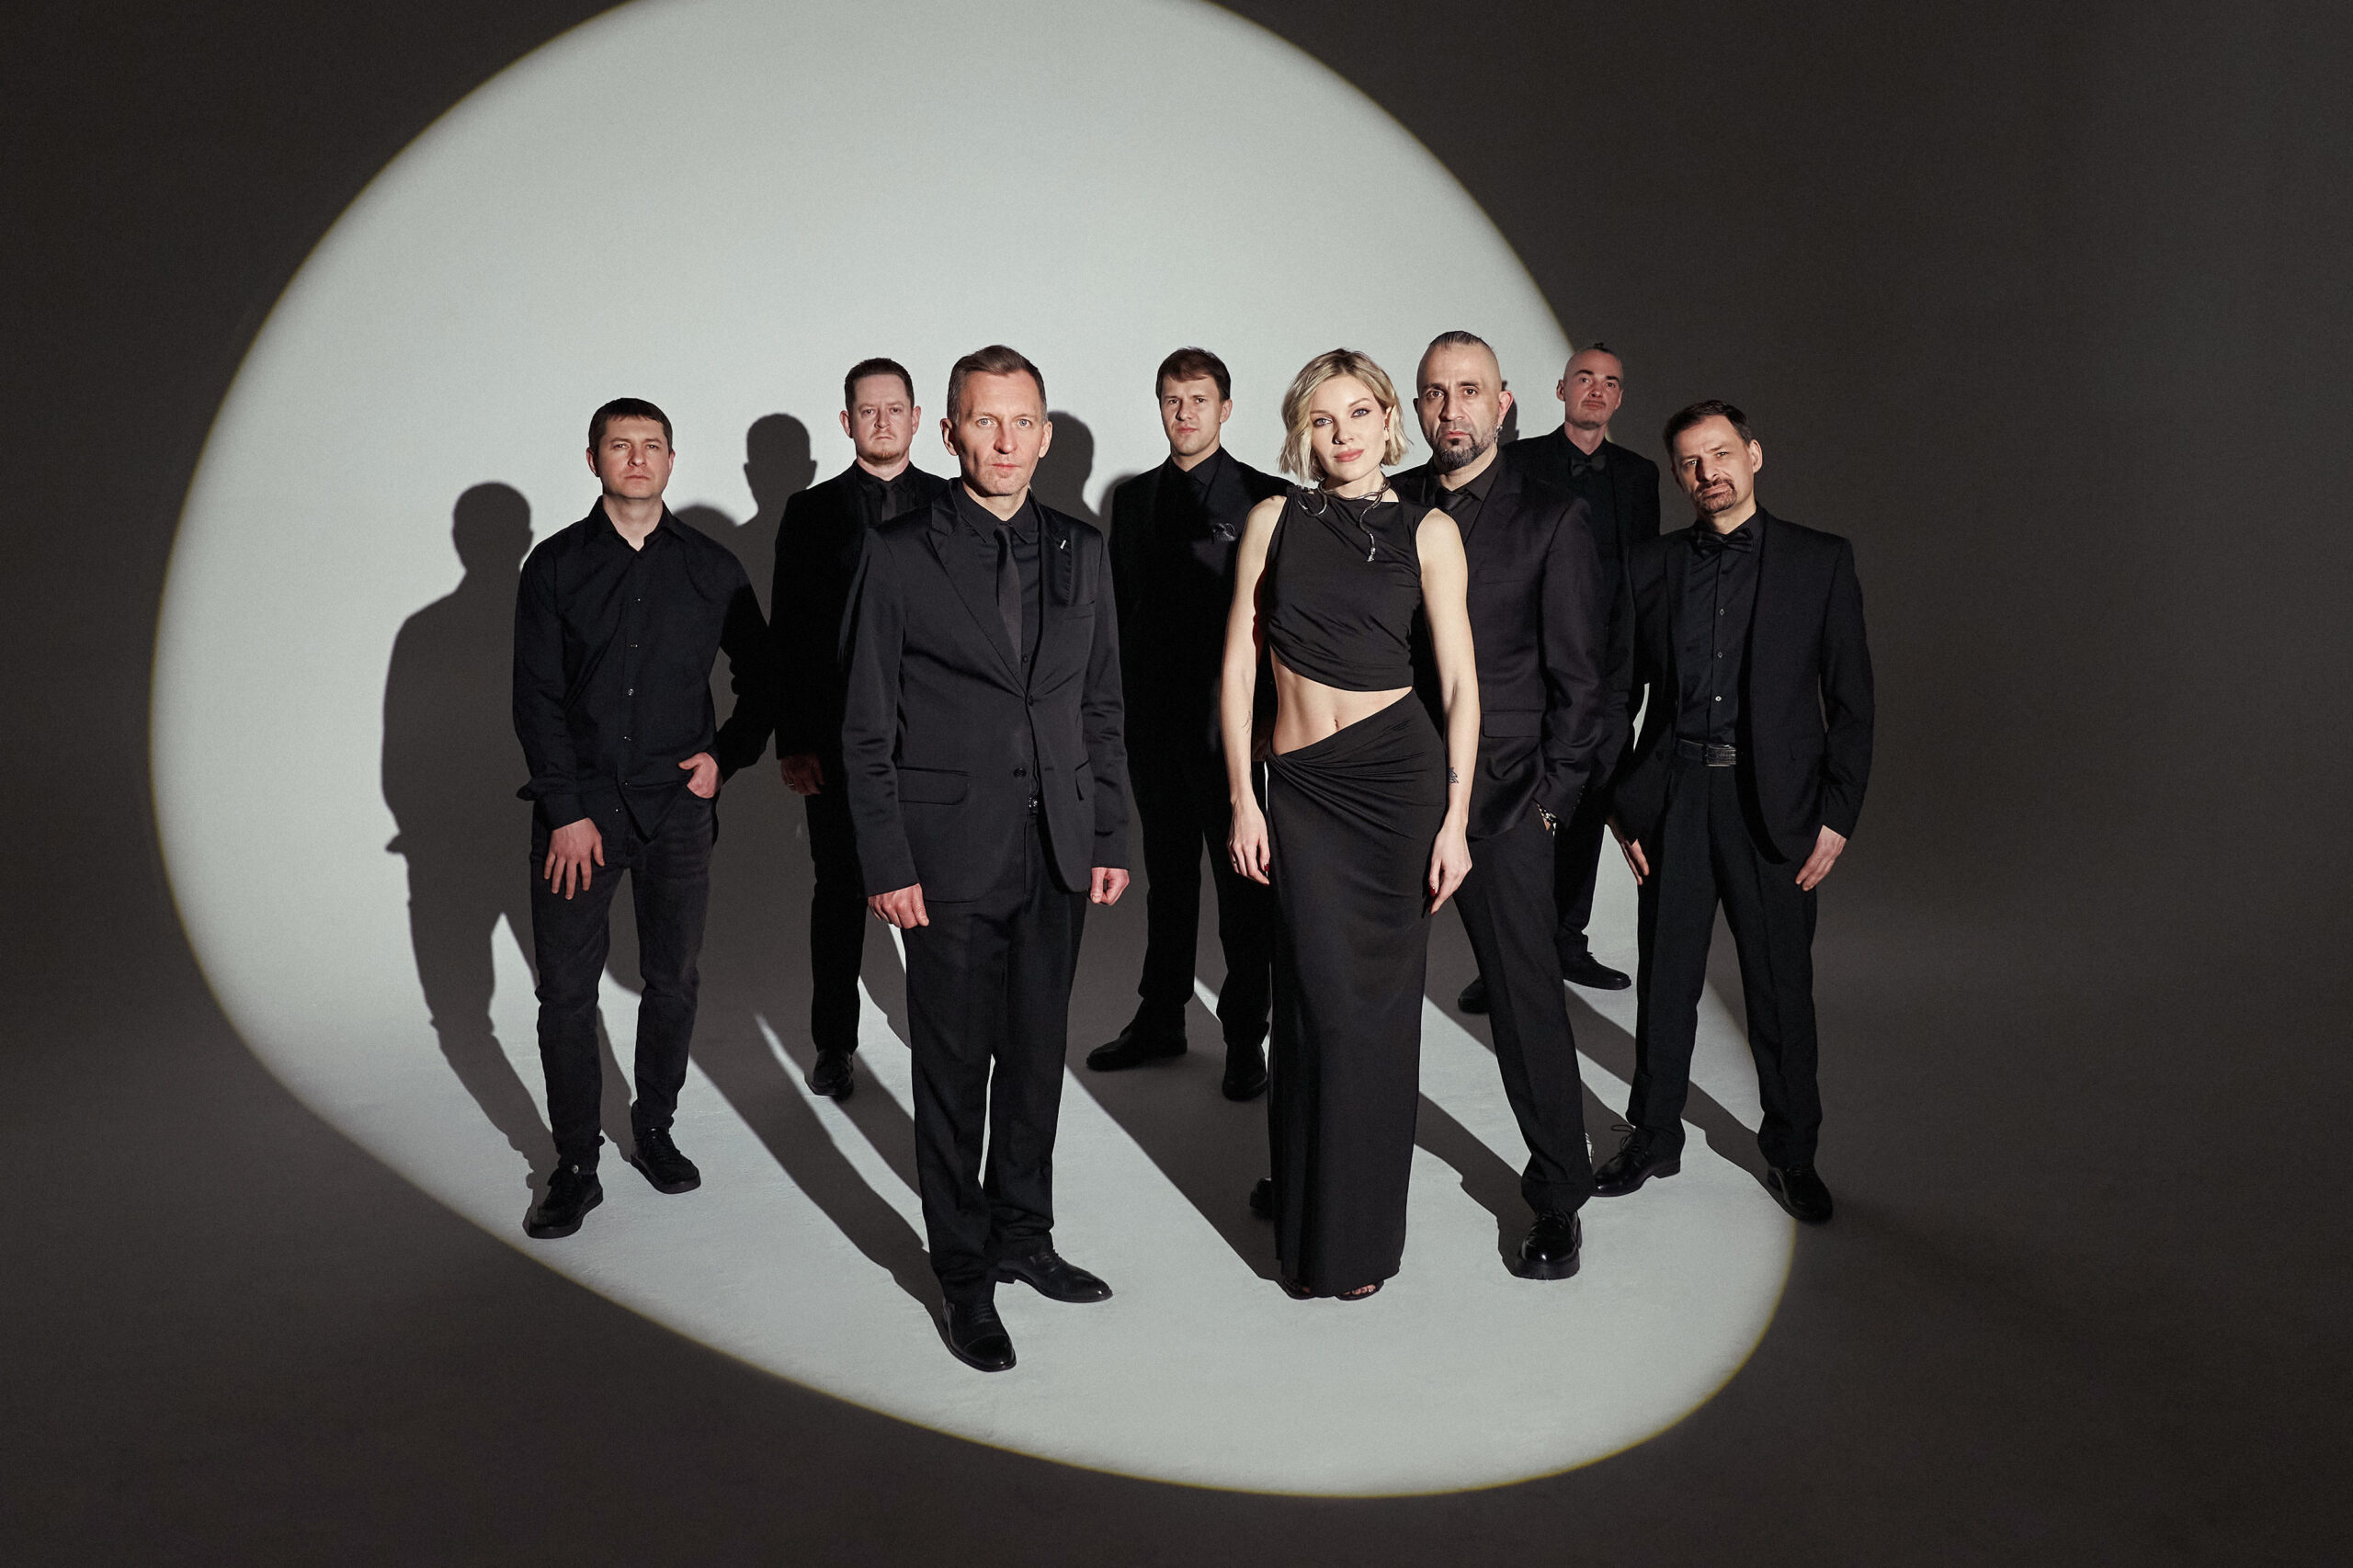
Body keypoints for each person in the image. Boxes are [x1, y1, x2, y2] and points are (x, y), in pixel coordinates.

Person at [839, 346, 1131, 1370]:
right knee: (956, 1071)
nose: (1004, 441)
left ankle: (1024, 1235)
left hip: (1057, 848)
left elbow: (1101, 703)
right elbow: (863, 726)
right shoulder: (897, 551)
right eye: (984, 420)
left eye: (1022, 422)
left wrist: (1108, 831)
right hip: (945, 856)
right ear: (949, 430)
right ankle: (962, 1275)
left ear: (1045, 434)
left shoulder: (1082, 548)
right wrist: (886, 861)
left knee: (1037, 1058)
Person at [1222, 348, 1479, 1300]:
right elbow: (1237, 667)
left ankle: (1357, 1239)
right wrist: (1244, 796)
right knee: (1313, 1005)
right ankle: (1307, 1211)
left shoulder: (1431, 531)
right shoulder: (1273, 520)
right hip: (1301, 791)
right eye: (1322, 418)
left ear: (1388, 420)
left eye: (1360, 412)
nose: (1343, 434)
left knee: (1374, 1019)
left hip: (1396, 790)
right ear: (1302, 430)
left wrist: (1456, 820)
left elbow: (1460, 684)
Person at [1596, 401, 1872, 1224]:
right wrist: (1623, 809)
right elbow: (1614, 696)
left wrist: (1837, 815)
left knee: (1781, 992)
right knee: (1666, 983)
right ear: (1677, 475)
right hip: (1676, 800)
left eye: (1720, 454)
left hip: (1775, 810)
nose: (1706, 473)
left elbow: (1852, 701)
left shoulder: (1820, 561)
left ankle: (1791, 1154)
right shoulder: (1650, 565)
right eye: (1689, 462)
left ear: (1753, 455)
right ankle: (1654, 1137)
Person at [512, 398, 773, 1238]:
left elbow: (764, 678)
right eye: (619, 446)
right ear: (593, 460)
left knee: (673, 979)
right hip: (578, 820)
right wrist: (564, 810)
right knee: (565, 993)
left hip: (676, 815)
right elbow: (536, 698)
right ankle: (575, 1163)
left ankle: (654, 1129)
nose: (636, 458)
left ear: (671, 460)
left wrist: (724, 758)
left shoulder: (712, 568)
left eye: (650, 446)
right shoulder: (554, 566)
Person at [1393, 332, 1610, 1278]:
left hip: (1507, 800)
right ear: (1416, 407)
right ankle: (1330, 1166)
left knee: (1526, 1007)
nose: (1453, 410)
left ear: (1505, 402)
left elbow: (1583, 685)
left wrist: (1548, 806)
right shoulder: (1385, 502)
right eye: (1435, 393)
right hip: (1390, 795)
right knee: (1357, 998)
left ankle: (1558, 1194)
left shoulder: (1552, 520)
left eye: (1470, 390)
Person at [1090, 347, 1285, 1098]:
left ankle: (1245, 1037)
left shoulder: (1266, 497)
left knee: (1244, 890)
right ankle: (1161, 1018)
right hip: (1152, 728)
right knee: (1167, 881)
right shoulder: (1133, 499)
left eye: (1199, 399)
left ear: (1225, 409)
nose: (1185, 412)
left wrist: (1271, 721)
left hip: (1232, 733)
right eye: (1173, 399)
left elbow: (1282, 623)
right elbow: (1120, 615)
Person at [771, 358, 951, 1101]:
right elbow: (789, 632)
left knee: (940, 891)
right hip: (840, 742)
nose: (882, 421)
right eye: (868, 411)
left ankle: (943, 1036)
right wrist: (793, 743)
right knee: (840, 894)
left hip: (936, 742)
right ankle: (834, 1044)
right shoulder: (810, 512)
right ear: (846, 422)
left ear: (917, 419)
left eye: (894, 408)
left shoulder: (952, 502)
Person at [1501, 343, 1662, 995]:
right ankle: (1509, 958)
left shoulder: (1640, 475)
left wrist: (1636, 678)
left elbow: (1645, 581)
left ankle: (1567, 942)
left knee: (1588, 810)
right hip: (1530, 673)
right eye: (1585, 378)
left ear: (1619, 398)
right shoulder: (1520, 463)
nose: (1596, 390)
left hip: (1609, 678)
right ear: (1562, 389)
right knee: (1520, 816)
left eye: (1609, 383)